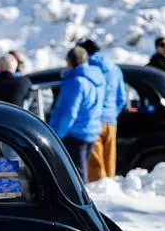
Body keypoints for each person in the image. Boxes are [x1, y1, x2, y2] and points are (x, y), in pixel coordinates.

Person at [48, 46, 105, 183]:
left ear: (70, 61)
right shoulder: (97, 78)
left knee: (76, 176)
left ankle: (80, 202)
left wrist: (57, 134)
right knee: (81, 169)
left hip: (74, 134)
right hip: (91, 130)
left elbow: (69, 112)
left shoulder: (76, 82)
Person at [79, 40, 126, 181]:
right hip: (111, 122)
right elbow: (122, 97)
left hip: (94, 121)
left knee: (95, 167)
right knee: (109, 163)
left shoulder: (88, 68)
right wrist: (112, 113)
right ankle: (111, 193)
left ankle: (101, 198)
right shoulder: (115, 69)